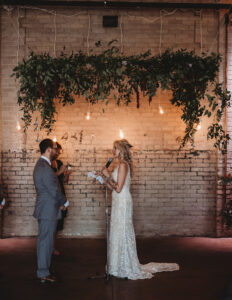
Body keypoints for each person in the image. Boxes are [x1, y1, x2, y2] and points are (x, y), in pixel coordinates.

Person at [101, 139, 179, 280]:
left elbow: (119, 188)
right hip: (118, 200)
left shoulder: (123, 165)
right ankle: (116, 264)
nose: (113, 151)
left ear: (122, 150)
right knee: (117, 230)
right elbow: (114, 187)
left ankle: (125, 264)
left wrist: (107, 176)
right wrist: (104, 179)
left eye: (115, 148)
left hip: (123, 201)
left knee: (123, 230)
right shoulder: (119, 165)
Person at [33, 139, 67, 283]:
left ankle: (44, 269)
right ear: (48, 150)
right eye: (54, 148)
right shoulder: (45, 167)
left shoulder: (43, 165)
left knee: (45, 242)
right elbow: (53, 190)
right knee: (45, 242)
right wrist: (64, 201)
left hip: (47, 208)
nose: (56, 151)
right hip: (48, 210)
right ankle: (43, 273)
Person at [51, 142, 71, 255]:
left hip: (60, 192)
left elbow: (63, 181)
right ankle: (50, 248)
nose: (58, 153)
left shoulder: (59, 163)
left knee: (58, 223)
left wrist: (67, 173)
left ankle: (53, 246)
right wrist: (60, 171)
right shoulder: (47, 163)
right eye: (57, 151)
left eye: (59, 151)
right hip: (53, 194)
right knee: (52, 222)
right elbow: (50, 179)